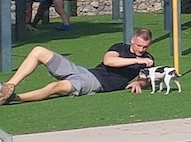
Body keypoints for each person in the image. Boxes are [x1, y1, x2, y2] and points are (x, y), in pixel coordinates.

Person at [0, 28, 156, 102]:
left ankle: (14, 98)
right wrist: (136, 60)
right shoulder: (120, 47)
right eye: (139, 46)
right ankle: (8, 87)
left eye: (145, 47)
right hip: (85, 72)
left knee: (55, 87)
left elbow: (145, 78)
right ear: (132, 41)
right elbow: (109, 61)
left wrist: (139, 82)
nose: (141, 50)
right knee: (38, 51)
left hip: (93, 83)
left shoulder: (148, 59)